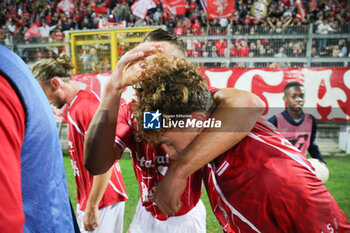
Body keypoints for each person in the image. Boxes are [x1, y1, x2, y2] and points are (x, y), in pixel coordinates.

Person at [133, 55, 350, 232]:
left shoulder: (275, 177)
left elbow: (249, 103)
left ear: (198, 122)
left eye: (169, 143)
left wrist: (176, 173)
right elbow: (162, 121)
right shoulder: (203, 122)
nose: (168, 154)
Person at [84, 28, 264, 232]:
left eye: (163, 63)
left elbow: (249, 104)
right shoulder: (131, 110)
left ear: (180, 69)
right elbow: (96, 165)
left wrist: (177, 173)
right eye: (145, 62)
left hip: (185, 219)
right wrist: (112, 88)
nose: (152, 70)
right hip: (145, 216)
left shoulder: (192, 102)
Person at [31, 53, 128, 233]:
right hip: (96, 200)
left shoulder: (85, 107)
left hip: (103, 201)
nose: (45, 99)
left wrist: (92, 206)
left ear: (55, 83)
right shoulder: (77, 106)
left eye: (43, 92)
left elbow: (105, 159)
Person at [0, 45, 75, 232]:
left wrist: (93, 203)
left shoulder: (84, 108)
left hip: (131, 196)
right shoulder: (13, 63)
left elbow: (102, 162)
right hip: (58, 211)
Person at [268, 82, 326, 164]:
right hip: (281, 167)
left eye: (301, 96)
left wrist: (321, 161)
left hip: (301, 167)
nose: (299, 100)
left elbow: (311, 145)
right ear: (285, 98)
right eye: (294, 96)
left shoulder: (310, 120)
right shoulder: (275, 121)